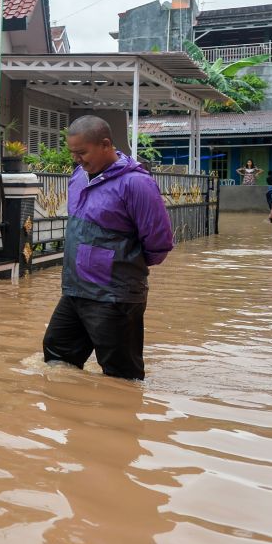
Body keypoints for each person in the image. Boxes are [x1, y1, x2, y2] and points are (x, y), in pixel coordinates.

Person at [43, 116, 174, 380]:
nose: (77, 159)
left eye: (82, 152)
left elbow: (158, 243)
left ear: (105, 144)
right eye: (73, 153)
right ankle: (68, 416)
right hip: (76, 290)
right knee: (57, 355)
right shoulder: (79, 176)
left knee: (121, 375)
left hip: (114, 296)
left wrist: (123, 265)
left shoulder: (136, 184)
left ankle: (121, 419)